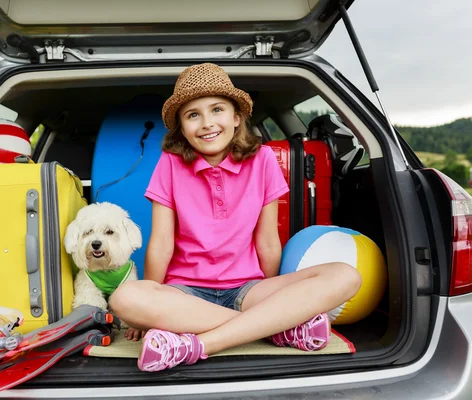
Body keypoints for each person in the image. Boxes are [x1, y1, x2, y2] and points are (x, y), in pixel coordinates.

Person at [109, 63, 362, 372]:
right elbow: (161, 244)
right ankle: (277, 329)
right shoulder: (171, 163)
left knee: (345, 275)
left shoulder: (264, 159)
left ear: (236, 117)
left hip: (247, 289)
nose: (206, 123)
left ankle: (198, 345)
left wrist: (276, 296)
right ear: (182, 128)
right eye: (193, 115)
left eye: (217, 110)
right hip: (184, 294)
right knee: (124, 299)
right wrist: (147, 309)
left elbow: (267, 240)